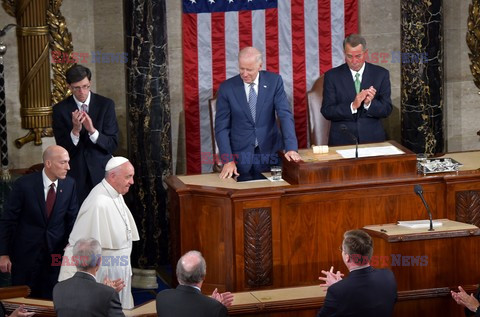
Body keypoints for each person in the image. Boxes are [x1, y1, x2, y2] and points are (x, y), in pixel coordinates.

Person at [58, 156, 139, 309]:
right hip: (107, 273)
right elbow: (80, 243)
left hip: (120, 269)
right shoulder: (98, 202)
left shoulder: (115, 193)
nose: (132, 182)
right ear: (113, 176)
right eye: (128, 177)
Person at [0, 145, 79, 299]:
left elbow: (72, 219)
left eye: (68, 162)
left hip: (55, 255)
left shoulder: (70, 185)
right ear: (48, 163)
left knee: (52, 300)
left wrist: (72, 245)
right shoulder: (24, 185)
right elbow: (7, 220)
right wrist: (3, 254)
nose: (68, 167)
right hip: (25, 255)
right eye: (63, 162)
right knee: (24, 301)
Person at [214, 46, 301, 179]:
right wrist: (228, 160)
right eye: (241, 68)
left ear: (260, 66)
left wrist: (291, 148)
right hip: (239, 159)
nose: (244, 74)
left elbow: (285, 115)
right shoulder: (227, 88)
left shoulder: (274, 82)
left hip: (271, 154)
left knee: (275, 195)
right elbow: (221, 128)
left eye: (249, 69)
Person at [52, 64, 119, 203]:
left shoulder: (106, 105)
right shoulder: (59, 110)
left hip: (102, 173)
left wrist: (92, 131)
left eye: (85, 86)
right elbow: (62, 148)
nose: (82, 91)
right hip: (75, 175)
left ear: (90, 83)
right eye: (76, 88)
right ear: (69, 87)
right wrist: (75, 131)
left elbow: (112, 144)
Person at [321, 34, 393, 146]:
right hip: (342, 140)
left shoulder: (381, 74)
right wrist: (352, 106)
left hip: (373, 140)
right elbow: (327, 111)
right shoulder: (332, 76)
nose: (354, 61)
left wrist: (369, 104)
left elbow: (387, 109)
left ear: (366, 53)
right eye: (349, 56)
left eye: (358, 56)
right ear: (344, 54)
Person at [317, 229, 397, 317]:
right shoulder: (388, 276)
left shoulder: (336, 291)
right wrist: (340, 286)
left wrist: (339, 287)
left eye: (342, 249)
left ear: (347, 257)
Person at [53, 238, 125, 317]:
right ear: (98, 261)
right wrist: (107, 293)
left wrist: (106, 292)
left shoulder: (58, 289)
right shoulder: (107, 294)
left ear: (74, 260)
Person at [156, 250, 234, 317]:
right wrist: (215, 306)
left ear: (177, 275)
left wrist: (212, 304)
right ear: (203, 276)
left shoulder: (162, 297)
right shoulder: (216, 309)